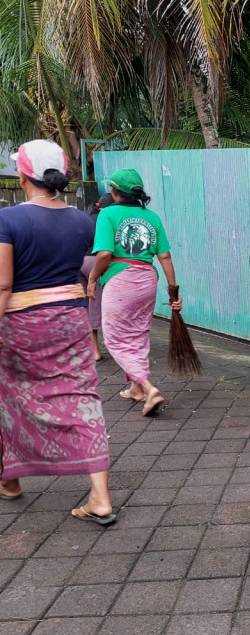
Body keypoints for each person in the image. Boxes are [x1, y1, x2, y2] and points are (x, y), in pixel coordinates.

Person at [0, 139, 115, 524]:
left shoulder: (9, 220)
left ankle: (11, 481)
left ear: (22, 175)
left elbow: (3, 284)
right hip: (71, 319)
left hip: (21, 322)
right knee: (83, 396)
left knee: (10, 394)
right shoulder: (83, 220)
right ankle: (100, 496)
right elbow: (90, 260)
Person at [87, 168, 182, 416]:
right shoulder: (152, 217)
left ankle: (149, 388)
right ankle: (136, 389)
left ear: (114, 190)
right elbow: (165, 256)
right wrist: (173, 291)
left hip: (120, 281)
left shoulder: (107, 214)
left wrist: (93, 277)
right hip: (147, 279)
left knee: (115, 339)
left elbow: (105, 254)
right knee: (138, 335)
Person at [78, 192, 114, 361]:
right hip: (96, 262)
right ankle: (109, 345)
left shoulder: (85, 218)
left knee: (86, 304)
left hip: (78, 261)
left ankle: (93, 349)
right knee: (98, 305)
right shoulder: (108, 218)